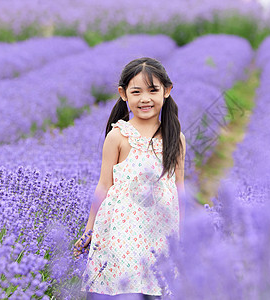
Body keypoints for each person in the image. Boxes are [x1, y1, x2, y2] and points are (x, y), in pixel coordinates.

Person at [74, 57, 186, 299]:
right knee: (124, 287)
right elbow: (104, 185)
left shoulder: (175, 137)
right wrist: (89, 227)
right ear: (123, 94)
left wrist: (184, 231)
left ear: (167, 91)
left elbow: (179, 187)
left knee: (157, 287)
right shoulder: (118, 136)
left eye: (153, 90)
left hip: (161, 227)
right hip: (121, 228)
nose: (145, 99)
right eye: (136, 92)